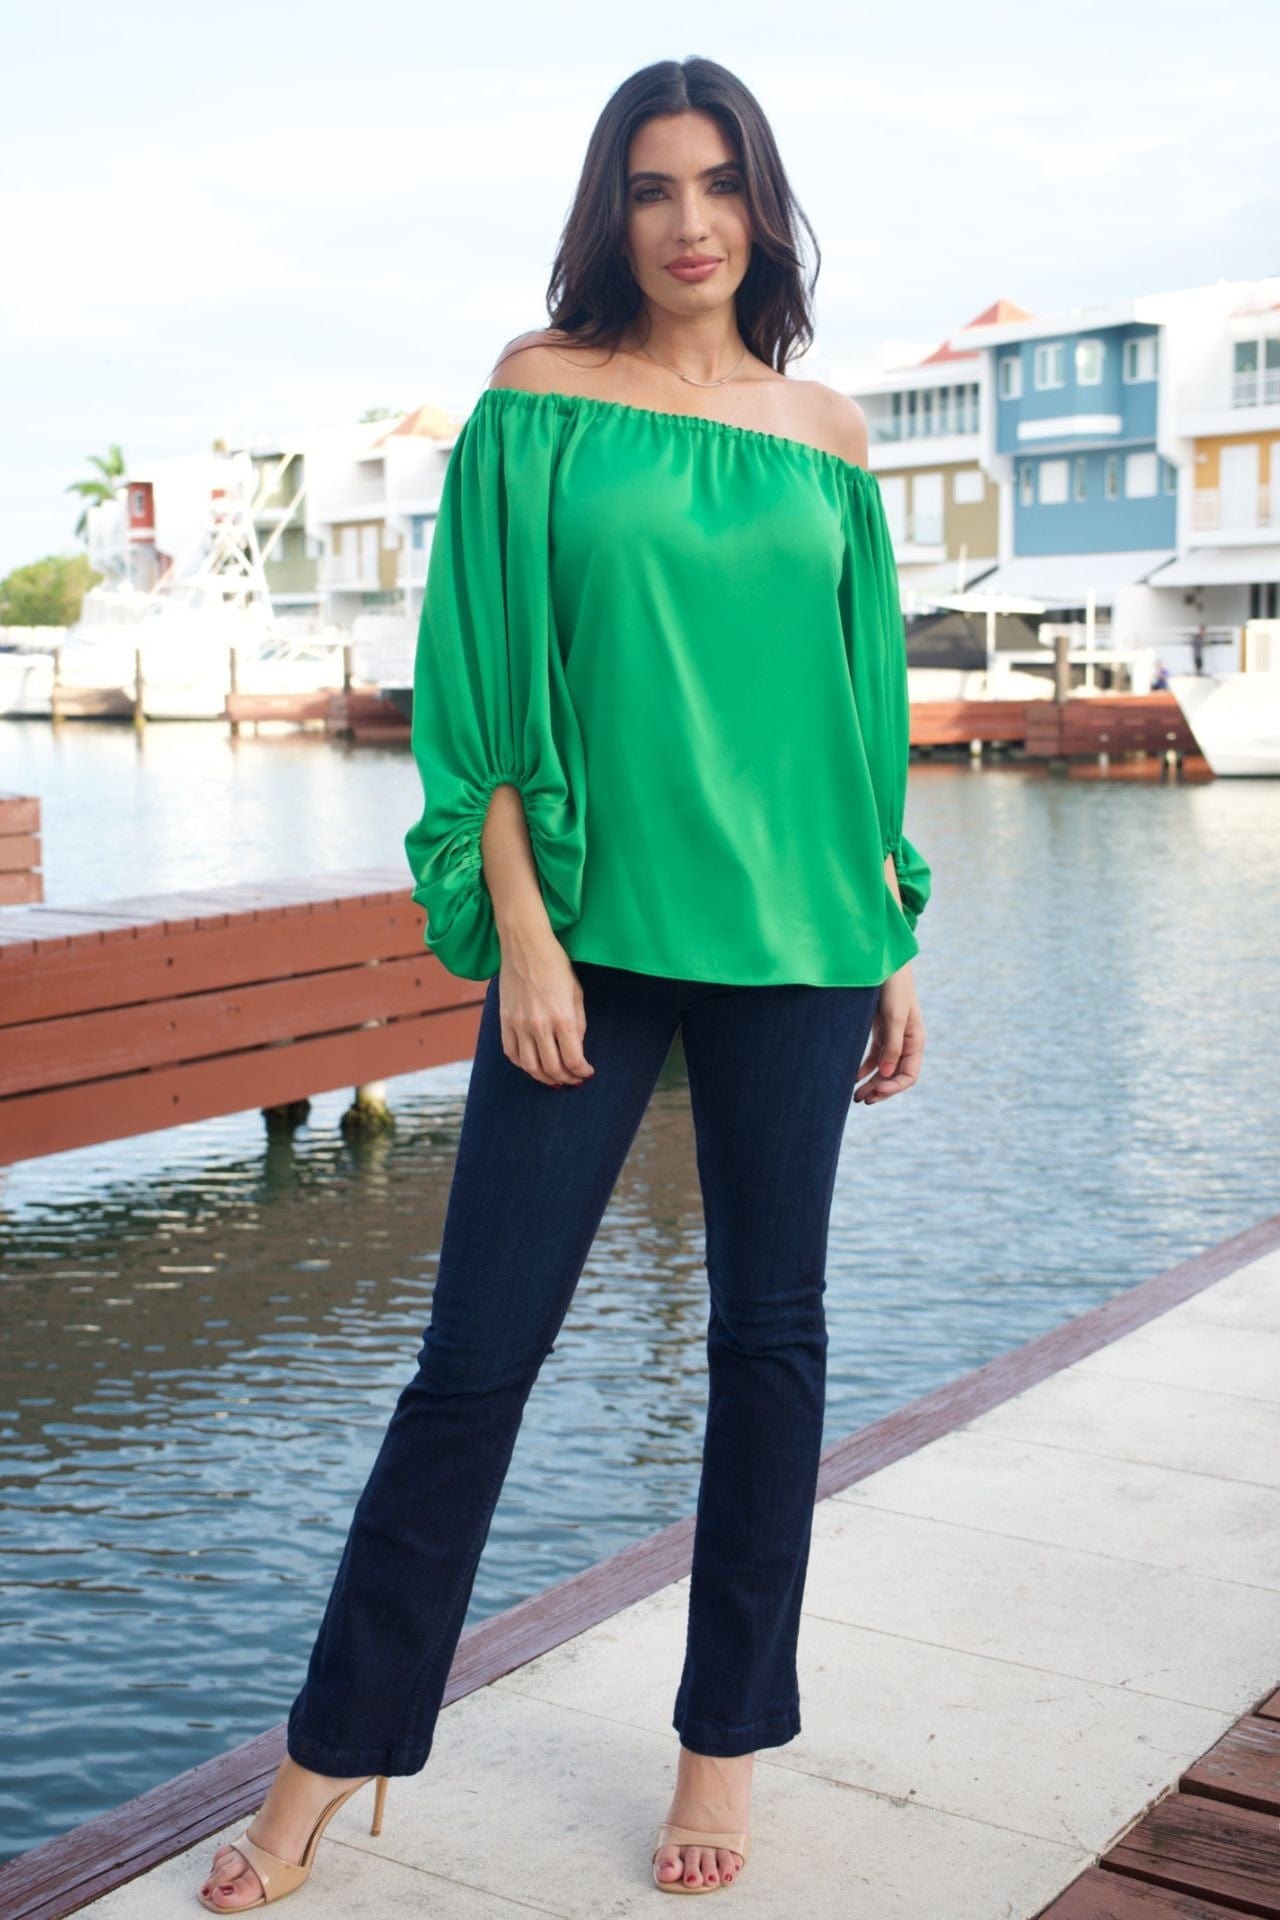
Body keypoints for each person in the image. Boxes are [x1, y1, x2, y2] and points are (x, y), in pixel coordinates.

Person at [197, 53, 930, 1911]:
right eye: (653, 187)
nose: (689, 223)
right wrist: (519, 928)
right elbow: (482, 695)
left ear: (766, 207)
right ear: (612, 210)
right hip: (584, 941)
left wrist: (894, 928)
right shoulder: (538, 402)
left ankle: (721, 1751)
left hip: (802, 947)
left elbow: (860, 720)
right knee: (473, 1365)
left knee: (771, 1351)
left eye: (720, 186)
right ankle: (324, 1768)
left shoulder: (830, 434)